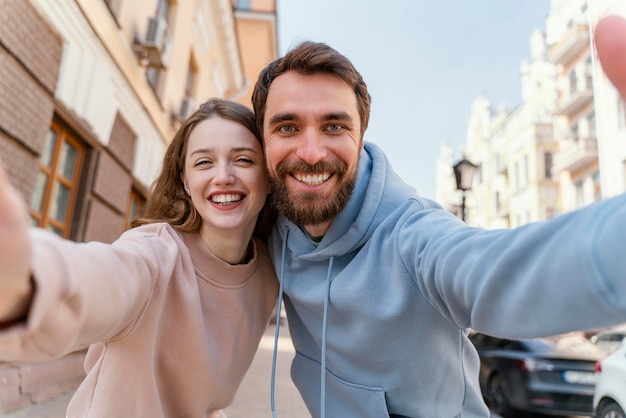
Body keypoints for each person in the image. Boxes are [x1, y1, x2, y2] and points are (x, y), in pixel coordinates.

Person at [251, 15, 626, 418]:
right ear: (262, 142)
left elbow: (494, 273)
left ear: (361, 140)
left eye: (334, 126)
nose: (310, 151)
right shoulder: (271, 221)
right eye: (287, 127)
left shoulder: (412, 234)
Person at [0, 98, 278, 417]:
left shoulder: (268, 274)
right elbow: (99, 279)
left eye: (243, 160)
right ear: (185, 182)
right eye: (204, 163)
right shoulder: (154, 253)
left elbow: (198, 397)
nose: (223, 176)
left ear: (268, 176)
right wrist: (23, 283)